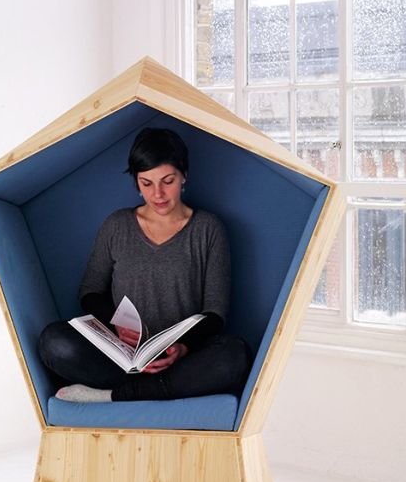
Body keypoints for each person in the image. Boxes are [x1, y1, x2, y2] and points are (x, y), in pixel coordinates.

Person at [38, 127, 252, 403]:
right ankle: (155, 390)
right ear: (136, 183)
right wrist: (116, 325)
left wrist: (183, 347)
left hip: (181, 359)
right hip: (121, 355)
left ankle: (112, 396)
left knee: (234, 355)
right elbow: (90, 291)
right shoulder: (117, 225)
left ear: (184, 176)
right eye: (147, 183)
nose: (158, 194)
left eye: (168, 180)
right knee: (54, 341)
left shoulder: (208, 229)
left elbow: (215, 311)